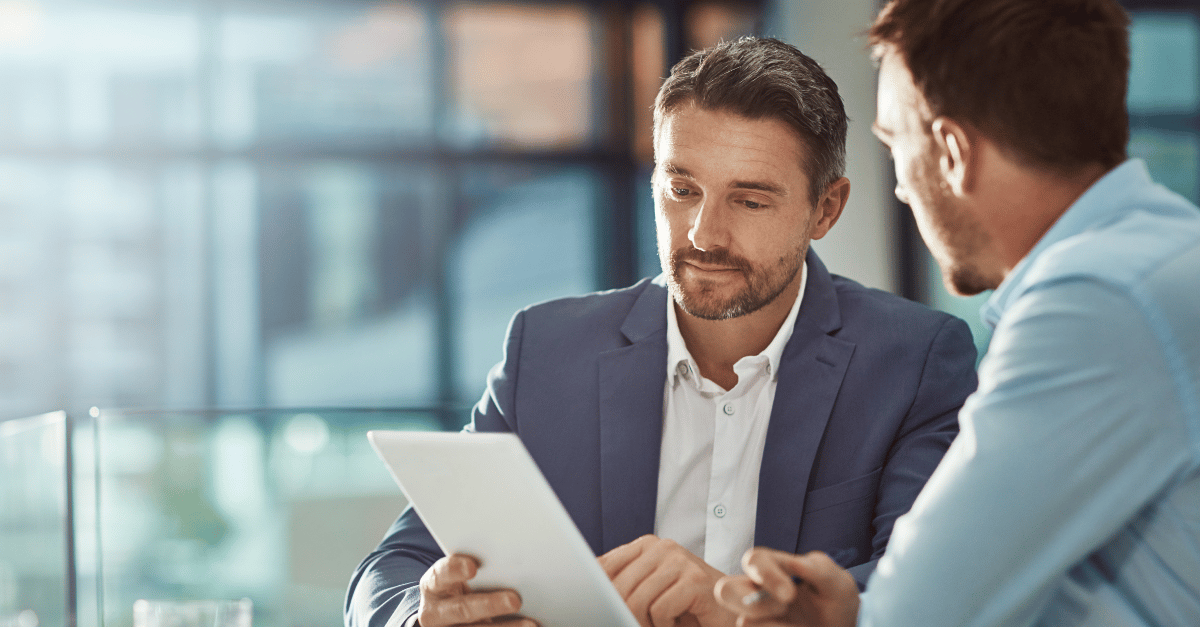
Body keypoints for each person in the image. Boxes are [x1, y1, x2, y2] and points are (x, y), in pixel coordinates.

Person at [346, 37, 978, 627]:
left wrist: (733, 606)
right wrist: (423, 613)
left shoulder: (916, 361)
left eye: (750, 201)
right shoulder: (546, 351)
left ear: (826, 209)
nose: (704, 234)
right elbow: (388, 573)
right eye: (681, 189)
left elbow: (936, 592)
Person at [715, 1, 1200, 626]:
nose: (898, 186)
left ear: (950, 150)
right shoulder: (1165, 253)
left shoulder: (1095, 299)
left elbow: (919, 615)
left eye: (895, 145)